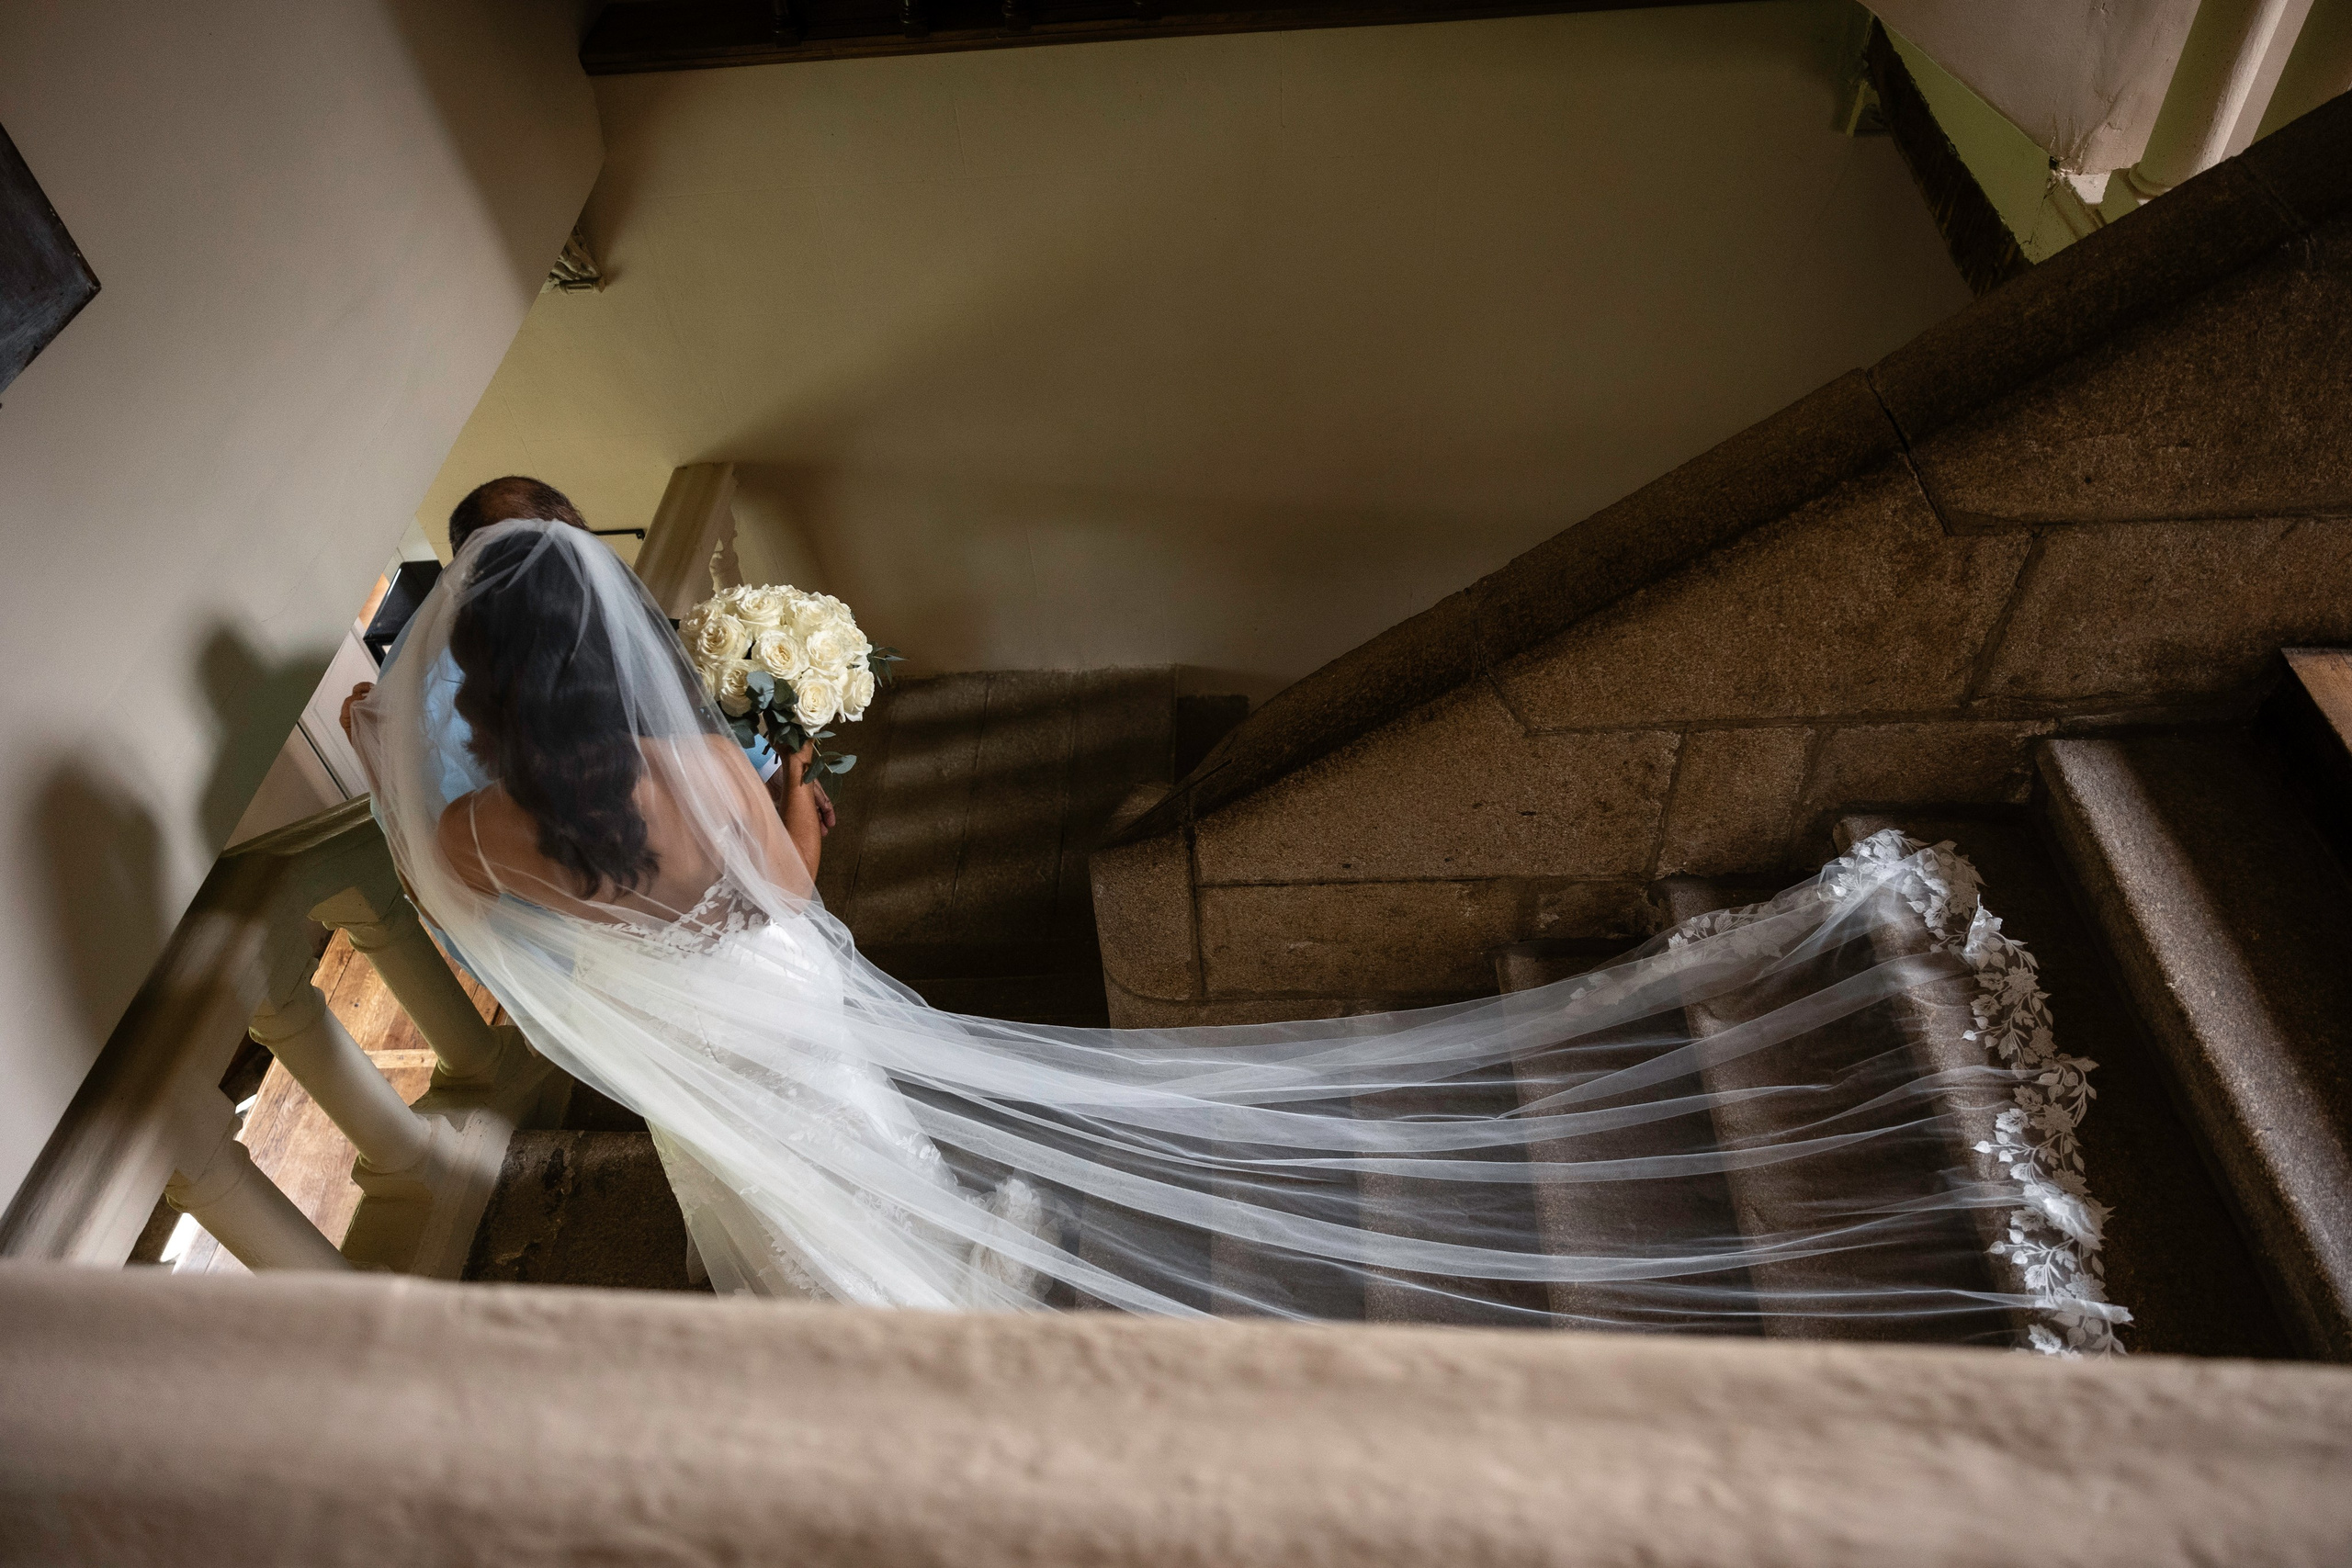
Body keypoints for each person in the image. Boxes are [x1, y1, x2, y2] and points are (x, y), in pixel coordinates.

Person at [346, 518, 2126, 1348]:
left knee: (777, 1194)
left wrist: (387, 750)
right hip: (790, 1005)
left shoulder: (486, 825)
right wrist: (786, 775)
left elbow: (478, 926)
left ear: (494, 703)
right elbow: (801, 889)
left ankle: (897, 1343)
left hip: (709, 1061)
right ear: (617, 662)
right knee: (862, 1152)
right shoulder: (688, 765)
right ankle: (929, 1299)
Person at [344, 476, 831, 833]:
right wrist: (788, 779)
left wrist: (772, 772)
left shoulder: (589, 601)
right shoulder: (433, 690)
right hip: (657, 850)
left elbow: (680, 696)